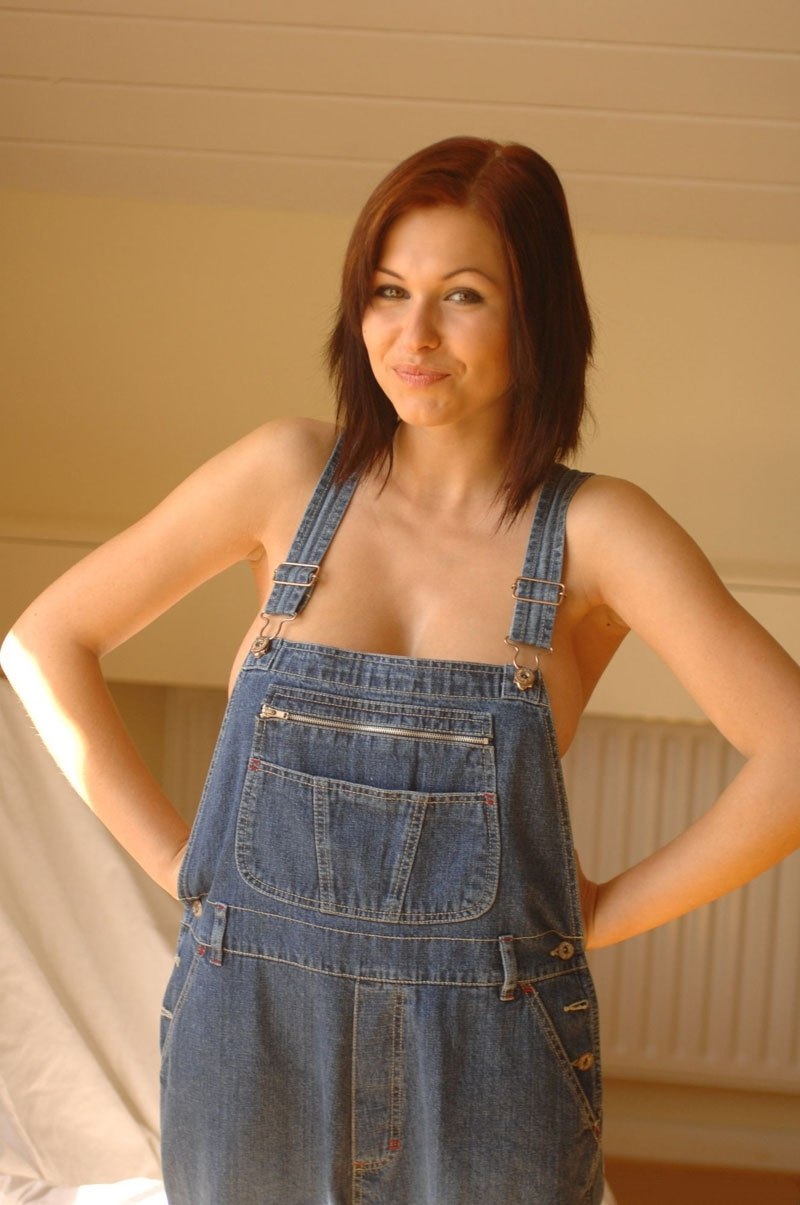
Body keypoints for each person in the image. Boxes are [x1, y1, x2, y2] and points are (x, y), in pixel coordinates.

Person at [2, 136, 798, 1205]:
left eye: (461, 295)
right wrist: (181, 864)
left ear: (535, 315)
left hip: (491, 1057)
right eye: (388, 290)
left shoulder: (599, 533)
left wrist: (599, 912)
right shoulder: (286, 475)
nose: (413, 335)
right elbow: (43, 641)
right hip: (249, 1040)